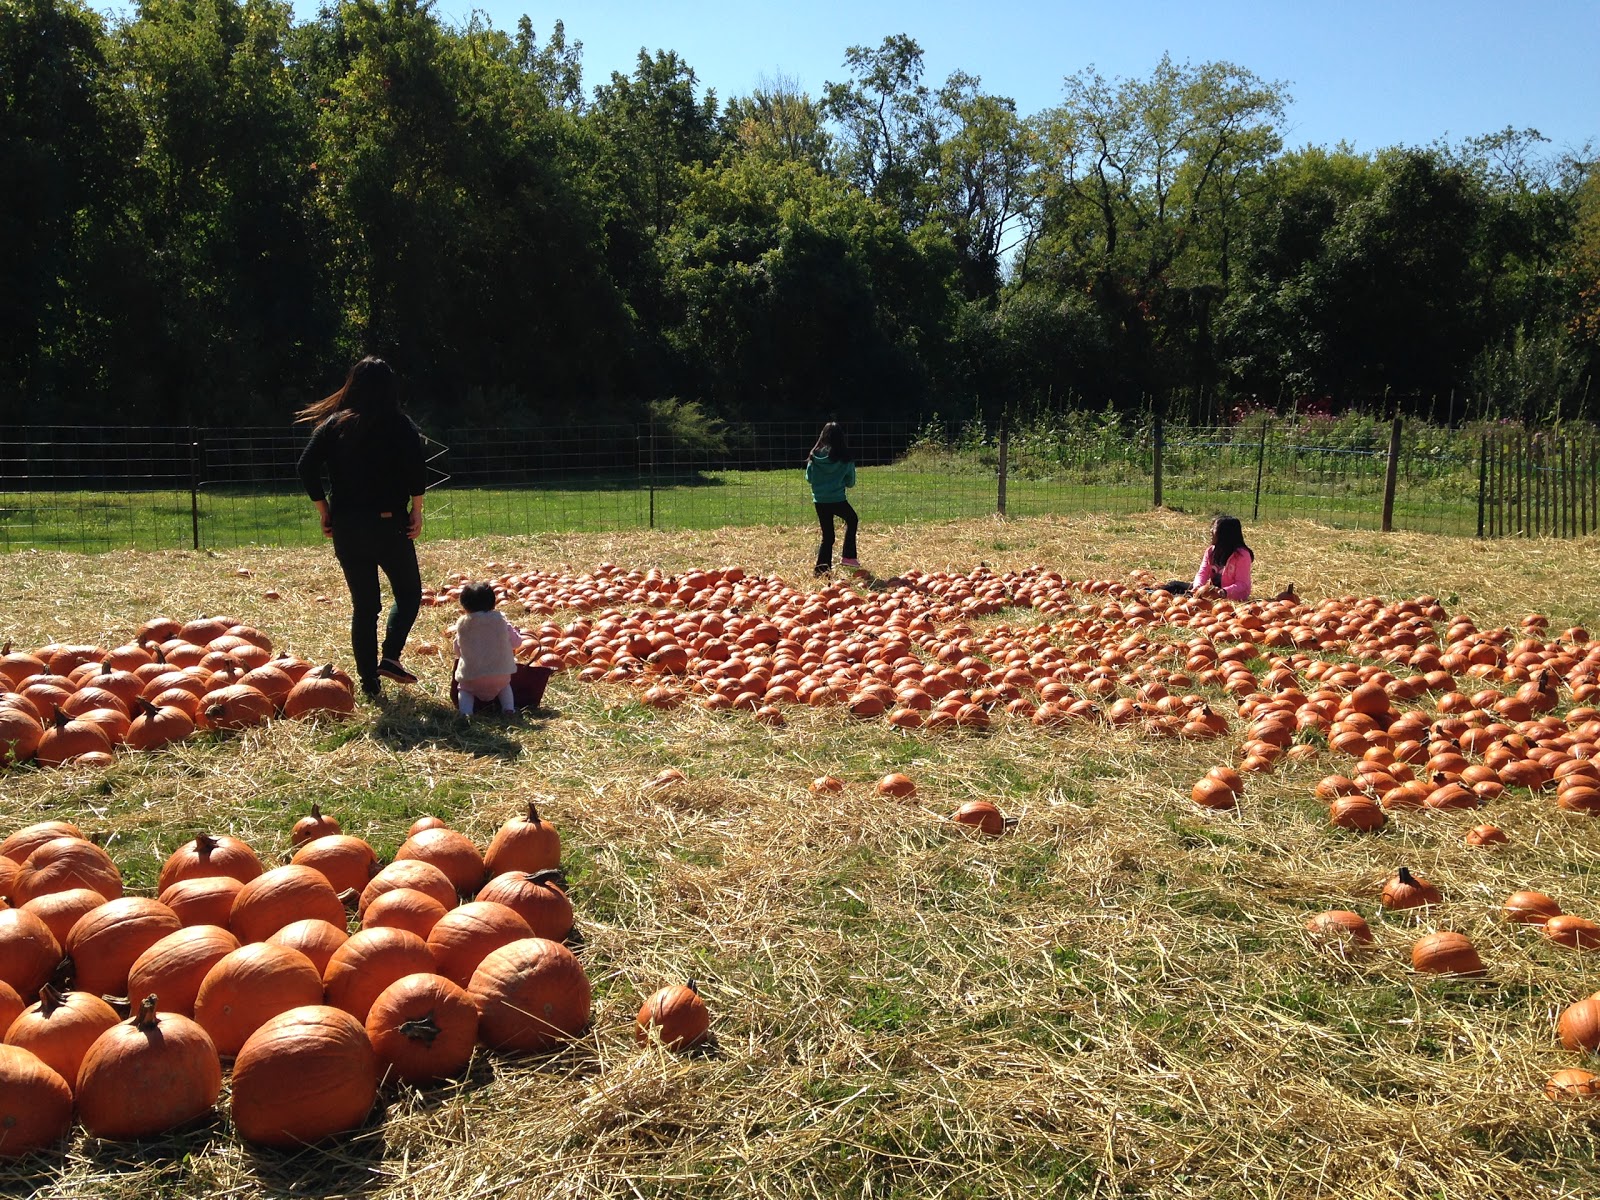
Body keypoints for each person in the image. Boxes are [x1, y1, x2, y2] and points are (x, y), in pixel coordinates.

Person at [296, 357, 427, 698]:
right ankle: (391, 656)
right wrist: (417, 509)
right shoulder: (400, 424)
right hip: (387, 524)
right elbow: (416, 468)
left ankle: (370, 684)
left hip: (347, 528)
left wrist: (323, 509)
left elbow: (306, 465)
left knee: (365, 607)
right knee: (409, 593)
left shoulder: (335, 424)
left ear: (352, 385)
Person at [450, 581, 523, 716]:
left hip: (472, 676)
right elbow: (516, 643)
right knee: (505, 687)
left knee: (464, 690)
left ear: (464, 606)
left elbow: (457, 649)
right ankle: (508, 709)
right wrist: (517, 633)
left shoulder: (463, 626)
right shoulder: (502, 623)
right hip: (500, 674)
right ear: (493, 604)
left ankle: (466, 714)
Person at [1152, 515, 1254, 600]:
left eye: (1214, 528)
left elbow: (1242, 584)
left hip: (1230, 595)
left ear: (1225, 534)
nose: (1210, 531)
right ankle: (1151, 593)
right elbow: (1203, 572)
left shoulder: (1241, 555)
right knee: (1174, 585)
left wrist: (1224, 592)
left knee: (1184, 597)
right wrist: (1198, 586)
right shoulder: (1211, 551)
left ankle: (1170, 598)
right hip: (1210, 590)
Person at [805, 422, 858, 575]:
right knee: (852, 519)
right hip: (837, 499)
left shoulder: (814, 456)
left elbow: (809, 478)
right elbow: (851, 482)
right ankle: (848, 556)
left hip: (820, 501)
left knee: (827, 536)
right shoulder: (845, 458)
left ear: (823, 436)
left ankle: (821, 569)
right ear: (841, 438)